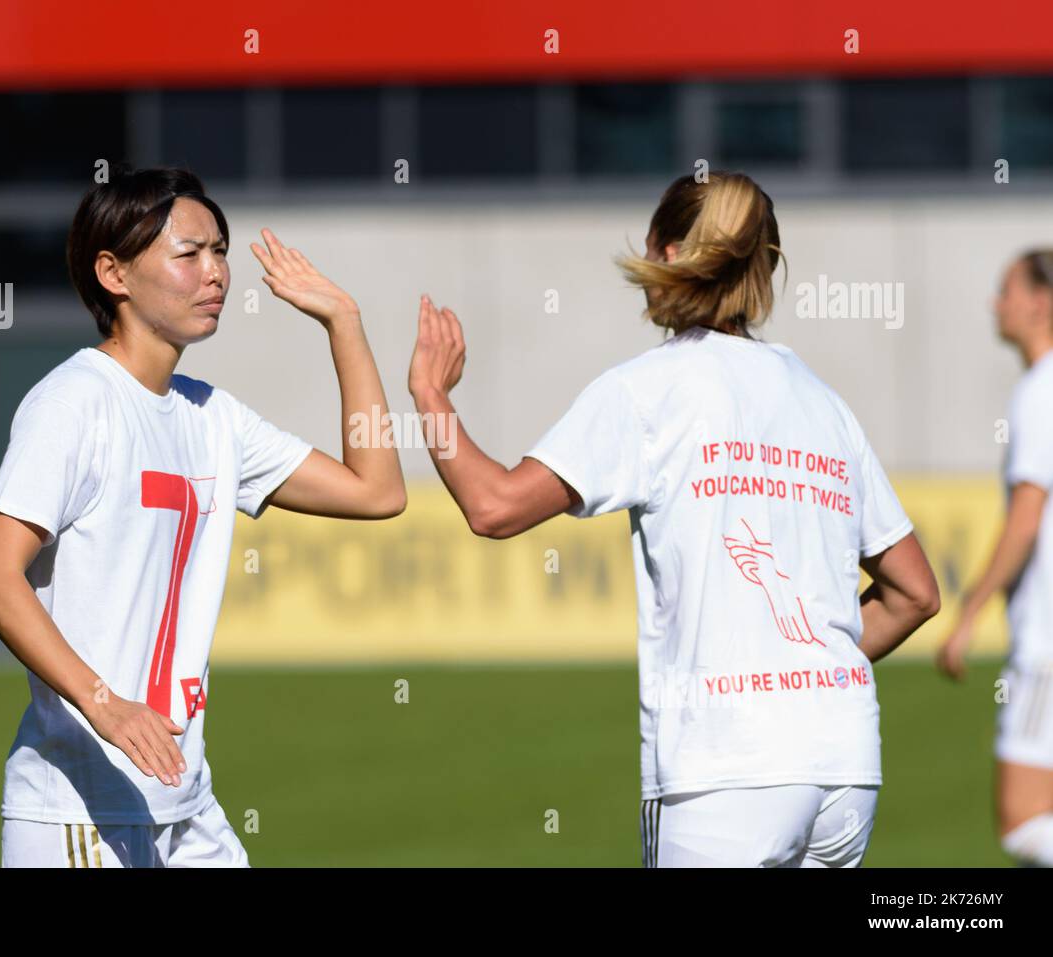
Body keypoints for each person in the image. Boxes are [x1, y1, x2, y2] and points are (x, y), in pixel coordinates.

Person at [406, 170, 939, 867]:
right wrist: (808, 669)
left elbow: (494, 505)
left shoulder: (649, 388)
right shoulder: (824, 403)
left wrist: (428, 394)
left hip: (725, 775)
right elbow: (916, 593)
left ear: (664, 252)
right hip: (844, 767)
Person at [0, 166, 405, 868]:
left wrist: (344, 323)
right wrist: (106, 704)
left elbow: (377, 489)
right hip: (79, 811)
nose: (216, 273)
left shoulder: (212, 414)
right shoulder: (72, 403)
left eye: (221, 251)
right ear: (113, 273)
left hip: (185, 804)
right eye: (190, 253)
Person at [937, 249, 1053, 866]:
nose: (995, 303)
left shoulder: (1041, 391)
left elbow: (1026, 519)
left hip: (1045, 648)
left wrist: (968, 614)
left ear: (1041, 302)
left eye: (1006, 290)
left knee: (1023, 824)